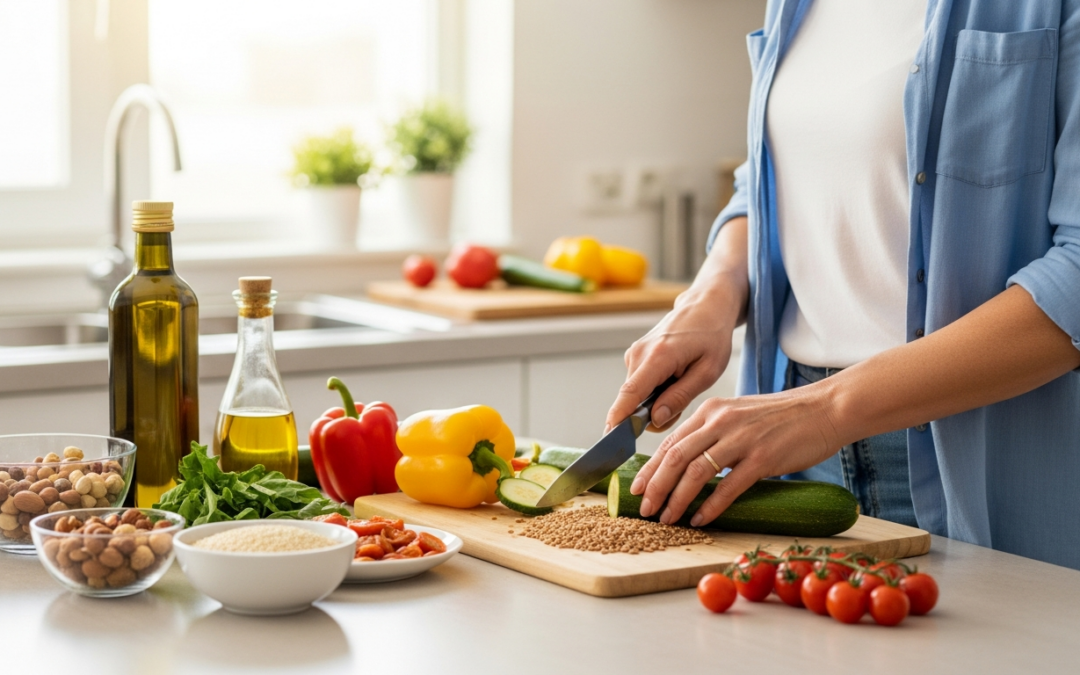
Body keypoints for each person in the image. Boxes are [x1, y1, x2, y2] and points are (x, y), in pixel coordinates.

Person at [605, 0, 1080, 570]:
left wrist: (825, 412)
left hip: (981, 462)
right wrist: (713, 293)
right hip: (792, 459)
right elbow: (764, 182)